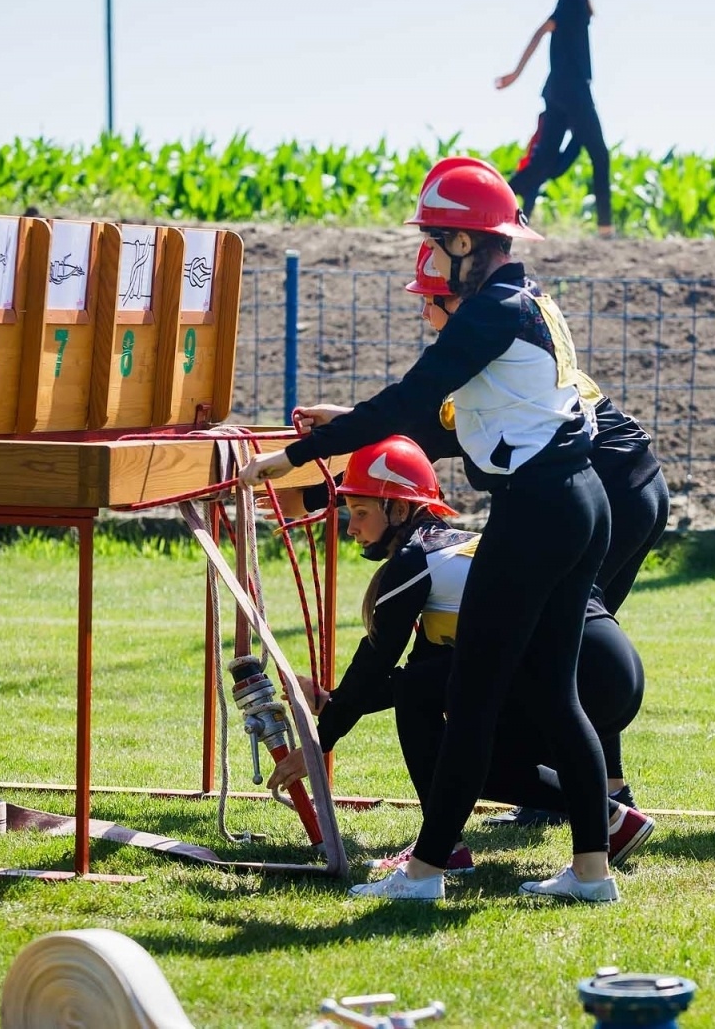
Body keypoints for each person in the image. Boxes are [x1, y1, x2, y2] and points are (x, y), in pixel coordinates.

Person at [243, 157, 620, 902]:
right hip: (580, 503)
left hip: (537, 513)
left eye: (435, 237)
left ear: (460, 242)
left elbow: (411, 396)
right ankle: (591, 873)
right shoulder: (526, 299)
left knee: (475, 700)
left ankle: (422, 874)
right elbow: (441, 414)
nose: (430, 257)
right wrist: (343, 423)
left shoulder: (486, 310)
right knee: (552, 691)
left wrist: (293, 455)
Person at [263, 435, 654, 874]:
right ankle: (609, 818)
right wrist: (333, 701)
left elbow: (377, 662)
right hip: (615, 670)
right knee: (466, 749)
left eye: (361, 512)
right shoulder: (449, 549)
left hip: (586, 667)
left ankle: (442, 850)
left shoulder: (416, 559)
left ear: (400, 509)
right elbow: (423, 675)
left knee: (444, 725)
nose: (350, 527)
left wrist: (320, 743)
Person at [303, 240, 669, 616]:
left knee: (548, 631)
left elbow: (416, 440)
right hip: (640, 484)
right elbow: (426, 424)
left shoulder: (485, 346)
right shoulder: (509, 343)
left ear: (460, 303)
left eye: (430, 301)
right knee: (574, 634)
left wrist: (312, 494)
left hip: (614, 494)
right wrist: (347, 419)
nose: (425, 316)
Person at [498, 0, 614, 238]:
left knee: (543, 163)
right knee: (600, 154)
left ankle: (494, 199)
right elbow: (542, 30)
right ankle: (606, 230)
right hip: (573, 90)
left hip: (558, 90)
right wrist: (516, 73)